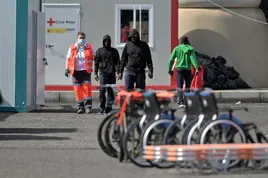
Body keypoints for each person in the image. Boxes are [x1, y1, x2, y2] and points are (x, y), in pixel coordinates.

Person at [65, 32, 96, 114]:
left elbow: (95, 56)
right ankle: (80, 107)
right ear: (77, 38)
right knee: (78, 90)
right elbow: (68, 58)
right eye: (80, 38)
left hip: (86, 72)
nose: (81, 39)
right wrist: (66, 69)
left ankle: (88, 107)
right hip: (75, 72)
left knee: (87, 90)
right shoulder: (72, 47)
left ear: (85, 38)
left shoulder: (89, 47)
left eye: (83, 38)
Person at [168, 36, 198, 107]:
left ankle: (180, 101)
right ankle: (187, 100)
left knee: (179, 86)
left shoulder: (177, 48)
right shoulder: (190, 49)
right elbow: (193, 59)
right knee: (188, 86)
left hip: (179, 70)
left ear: (181, 41)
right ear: (187, 41)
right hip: (188, 70)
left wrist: (170, 69)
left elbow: (171, 60)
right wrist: (196, 68)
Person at [94, 35, 120, 114]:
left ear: (110, 42)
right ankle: (102, 108)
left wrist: (118, 72)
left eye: (108, 41)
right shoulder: (99, 51)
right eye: (105, 41)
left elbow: (117, 63)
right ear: (103, 42)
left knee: (110, 91)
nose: (106, 42)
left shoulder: (114, 51)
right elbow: (96, 63)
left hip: (111, 73)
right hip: (102, 73)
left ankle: (109, 107)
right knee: (102, 90)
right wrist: (95, 73)